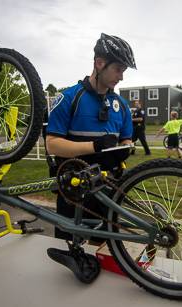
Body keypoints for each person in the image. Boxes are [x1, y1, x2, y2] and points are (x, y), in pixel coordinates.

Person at [45, 33, 136, 243]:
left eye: (123, 71)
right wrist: (94, 146)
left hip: (107, 188)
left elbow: (126, 140)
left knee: (105, 248)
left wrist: (125, 147)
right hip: (73, 190)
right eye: (118, 69)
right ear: (99, 63)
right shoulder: (68, 97)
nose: (121, 77)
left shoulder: (121, 105)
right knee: (69, 247)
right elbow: (52, 145)